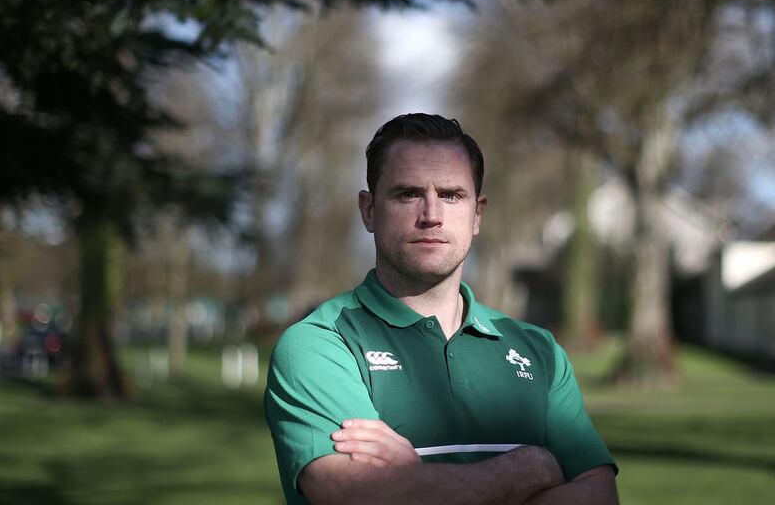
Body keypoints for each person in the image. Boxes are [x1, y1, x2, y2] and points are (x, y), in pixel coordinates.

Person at [265, 113, 618, 504]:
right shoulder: (320, 345)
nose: (431, 215)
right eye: (407, 194)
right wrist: (532, 467)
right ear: (369, 210)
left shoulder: (540, 351)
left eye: (451, 195)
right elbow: (356, 495)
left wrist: (416, 479)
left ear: (477, 214)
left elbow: (600, 495)